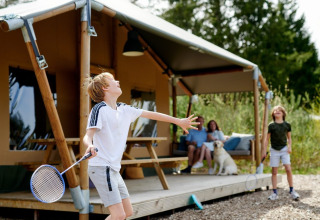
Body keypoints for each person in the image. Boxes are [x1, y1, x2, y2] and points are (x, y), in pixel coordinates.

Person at [83, 72, 199, 220]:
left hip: (113, 168)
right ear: (105, 88)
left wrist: (178, 121)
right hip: (101, 167)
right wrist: (89, 146)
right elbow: (87, 136)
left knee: (127, 212)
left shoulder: (124, 109)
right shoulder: (99, 109)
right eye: (112, 80)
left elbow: (153, 115)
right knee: (118, 215)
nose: (117, 81)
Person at [262, 105, 300, 200]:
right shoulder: (271, 125)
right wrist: (264, 151)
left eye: (279, 110)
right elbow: (267, 139)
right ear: (273, 114)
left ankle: (292, 190)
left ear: (283, 113)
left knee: (288, 168)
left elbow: (289, 138)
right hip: (274, 150)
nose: (277, 111)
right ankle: (274, 192)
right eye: (275, 110)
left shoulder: (287, 125)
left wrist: (289, 147)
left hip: (284, 149)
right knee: (274, 171)